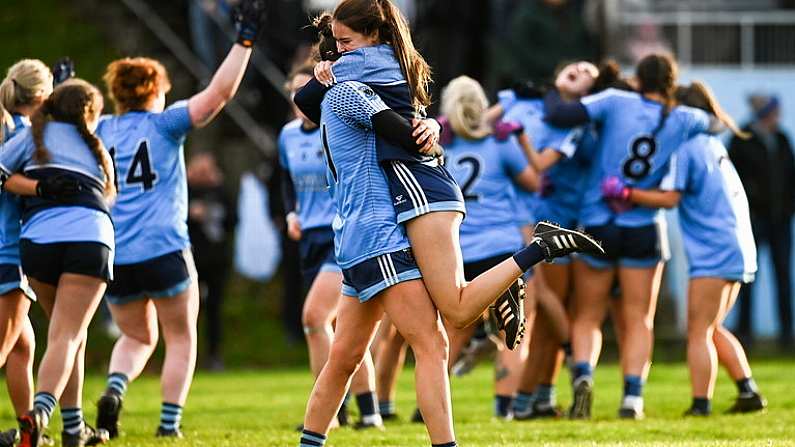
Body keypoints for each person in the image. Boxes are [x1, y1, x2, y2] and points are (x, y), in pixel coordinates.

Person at [297, 0, 604, 352]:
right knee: (431, 324)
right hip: (424, 191)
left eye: (346, 43)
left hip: (418, 193)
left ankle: (536, 252)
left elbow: (308, 102)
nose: (340, 52)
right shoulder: (401, 64)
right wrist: (430, 126)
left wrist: (328, 71)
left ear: (373, 35)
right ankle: (501, 303)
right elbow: (413, 125)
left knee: (442, 322)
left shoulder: (360, 67)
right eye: (336, 45)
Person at [92, 0, 266, 438]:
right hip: (165, 247)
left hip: (117, 252)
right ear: (154, 90)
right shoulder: (166, 124)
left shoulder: (100, 131)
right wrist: (243, 42)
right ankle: (168, 425)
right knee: (181, 336)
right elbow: (218, 96)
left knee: (136, 336)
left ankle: (115, 388)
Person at [544, 53, 714, 420]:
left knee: (588, 315)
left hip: (597, 222)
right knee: (639, 318)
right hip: (643, 225)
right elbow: (713, 122)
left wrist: (556, 90)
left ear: (638, 79)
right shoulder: (682, 117)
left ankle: (583, 377)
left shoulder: (616, 101)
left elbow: (561, 115)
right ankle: (632, 398)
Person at [605, 81, 767, 416]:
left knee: (697, 331)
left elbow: (670, 197)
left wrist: (626, 194)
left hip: (714, 251)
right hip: (736, 245)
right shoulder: (711, 143)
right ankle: (748, 390)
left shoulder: (686, 146)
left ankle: (700, 405)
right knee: (711, 327)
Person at [0, 78, 115, 447]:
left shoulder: (36, 135)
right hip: (89, 237)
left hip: (37, 242)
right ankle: (40, 413)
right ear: (90, 114)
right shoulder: (94, 145)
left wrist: (38, 188)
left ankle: (73, 428)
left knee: (65, 336)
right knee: (67, 335)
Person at [489, 61, 603, 420]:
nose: (580, 68)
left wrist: (518, 133)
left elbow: (539, 165)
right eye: (576, 65)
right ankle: (546, 390)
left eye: (589, 72)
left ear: (588, 93)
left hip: (553, 228)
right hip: (515, 222)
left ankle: (530, 397)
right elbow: (477, 122)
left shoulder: (577, 127)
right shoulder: (524, 98)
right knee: (537, 310)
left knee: (538, 312)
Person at [279, 62, 381, 429]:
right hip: (310, 238)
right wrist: (291, 213)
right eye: (295, 93)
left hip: (342, 234)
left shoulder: (336, 128)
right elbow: (287, 182)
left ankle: (333, 412)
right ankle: (368, 412)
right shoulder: (287, 136)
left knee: (314, 318)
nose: (299, 101)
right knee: (344, 330)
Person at [440, 75, 540, 419]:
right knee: (514, 327)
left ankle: (432, 404)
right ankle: (504, 407)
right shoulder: (499, 143)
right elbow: (533, 182)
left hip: (459, 251)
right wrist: (521, 140)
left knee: (452, 331)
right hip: (502, 250)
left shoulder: (439, 142)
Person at [0, 59, 51, 447]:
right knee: (4, 345)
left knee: (23, 346)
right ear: (41, 94)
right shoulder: (27, 136)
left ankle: (28, 435)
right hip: (9, 252)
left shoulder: (8, 129)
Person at [728, 94, 795, 348]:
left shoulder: (782, 139)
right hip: (754, 220)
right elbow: (735, 179)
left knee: (783, 277)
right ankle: (745, 333)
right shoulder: (742, 138)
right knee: (748, 277)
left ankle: (786, 335)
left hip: (780, 221)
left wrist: (788, 207)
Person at [186, 152, 236, 371]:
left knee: (214, 311)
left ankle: (214, 355)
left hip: (217, 260)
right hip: (193, 260)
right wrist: (191, 214)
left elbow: (234, 220)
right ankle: (189, 355)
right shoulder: (185, 191)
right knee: (190, 309)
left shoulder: (221, 192)